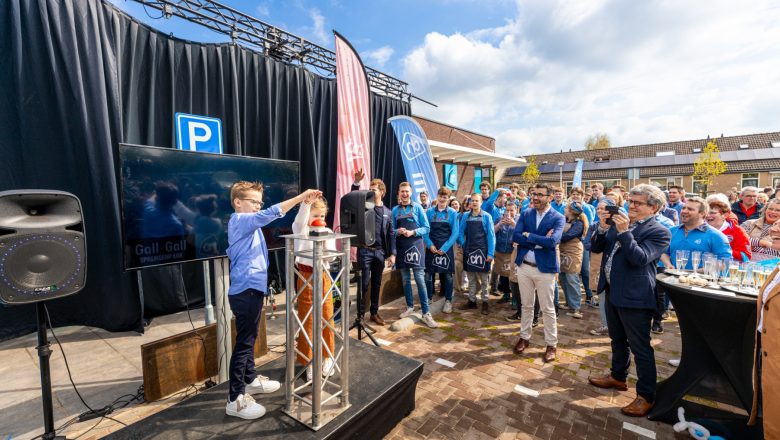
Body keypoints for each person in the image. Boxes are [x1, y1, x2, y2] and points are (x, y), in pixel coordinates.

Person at [225, 182, 319, 419]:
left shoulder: (249, 223)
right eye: (253, 202)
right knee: (244, 343)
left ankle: (250, 380)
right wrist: (301, 198)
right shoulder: (239, 219)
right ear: (238, 202)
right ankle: (235, 398)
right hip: (245, 290)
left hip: (252, 289)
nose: (258, 206)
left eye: (259, 202)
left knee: (250, 337)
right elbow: (272, 213)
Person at [588, 184, 671, 417]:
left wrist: (624, 233)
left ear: (653, 207)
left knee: (640, 347)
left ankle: (646, 395)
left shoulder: (659, 231)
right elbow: (595, 247)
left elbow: (639, 259)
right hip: (612, 290)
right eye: (630, 201)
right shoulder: (620, 222)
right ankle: (617, 377)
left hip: (635, 295)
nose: (631, 206)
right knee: (617, 339)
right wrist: (603, 228)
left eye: (638, 203)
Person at [512, 183, 565, 363]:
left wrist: (528, 236)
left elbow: (553, 242)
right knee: (526, 306)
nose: (535, 197)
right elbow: (515, 236)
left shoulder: (558, 217)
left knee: (547, 308)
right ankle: (524, 337)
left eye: (540, 195)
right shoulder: (526, 213)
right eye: (534, 194)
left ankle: (551, 344)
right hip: (524, 267)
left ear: (549, 197)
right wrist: (539, 239)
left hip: (545, 269)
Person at [292, 195, 338, 382]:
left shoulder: (326, 230)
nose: (319, 219)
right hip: (304, 275)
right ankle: (308, 361)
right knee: (307, 320)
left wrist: (325, 249)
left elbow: (333, 257)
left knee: (327, 315)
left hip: (323, 275)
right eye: (315, 215)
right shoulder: (301, 229)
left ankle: (328, 357)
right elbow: (300, 219)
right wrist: (306, 203)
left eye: (322, 215)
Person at [352, 170, 396, 326]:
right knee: (363, 284)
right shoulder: (365, 207)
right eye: (369, 189)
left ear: (382, 192)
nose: (370, 191)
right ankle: (360, 316)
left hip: (380, 253)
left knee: (377, 283)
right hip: (365, 251)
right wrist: (356, 183)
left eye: (373, 189)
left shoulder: (388, 213)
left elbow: (391, 234)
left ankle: (374, 313)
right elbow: (353, 200)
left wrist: (393, 254)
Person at [393, 182, 438, 328]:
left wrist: (412, 232)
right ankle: (410, 307)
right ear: (399, 193)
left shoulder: (418, 207)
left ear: (411, 193)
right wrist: (397, 231)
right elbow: (391, 231)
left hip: (416, 247)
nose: (404, 194)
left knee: (419, 279)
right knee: (406, 280)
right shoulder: (395, 210)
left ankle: (426, 313)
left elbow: (426, 228)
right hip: (402, 248)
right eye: (402, 191)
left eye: (407, 191)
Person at [748, 263, 780, 438]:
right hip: (766, 351)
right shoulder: (778, 267)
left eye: (777, 232)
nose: (772, 233)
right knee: (768, 406)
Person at [660, 196, 732, 270]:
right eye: (683, 208)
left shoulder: (716, 235)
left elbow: (725, 263)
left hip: (701, 280)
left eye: (690, 209)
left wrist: (695, 273)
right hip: (671, 279)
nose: (684, 211)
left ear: (702, 214)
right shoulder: (671, 231)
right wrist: (668, 264)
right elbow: (663, 252)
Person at [458, 193, 496, 314]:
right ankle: (472, 301)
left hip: (483, 252)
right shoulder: (465, 216)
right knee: (471, 278)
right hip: (469, 251)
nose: (474, 203)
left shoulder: (487, 217)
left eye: (476, 201)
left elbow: (491, 236)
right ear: (470, 203)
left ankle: (485, 302)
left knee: (484, 279)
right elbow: (460, 233)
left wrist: (490, 253)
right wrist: (464, 245)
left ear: (481, 202)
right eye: (472, 201)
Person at [424, 187, 459, 314]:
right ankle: (428, 299)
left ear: (448, 199)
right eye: (441, 196)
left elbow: (455, 233)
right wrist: (429, 245)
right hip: (431, 248)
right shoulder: (429, 212)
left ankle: (448, 301)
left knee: (448, 276)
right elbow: (425, 230)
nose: (442, 198)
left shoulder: (453, 213)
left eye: (445, 197)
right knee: (428, 274)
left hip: (446, 248)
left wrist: (444, 248)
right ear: (437, 196)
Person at [559, 202, 588, 319]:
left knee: (572, 278)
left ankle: (575, 307)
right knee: (563, 278)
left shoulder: (578, 224)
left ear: (571, 211)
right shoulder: (566, 221)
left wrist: (554, 235)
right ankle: (568, 303)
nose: (564, 209)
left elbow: (567, 236)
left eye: (566, 208)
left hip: (573, 252)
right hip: (563, 251)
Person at [705, 194, 751, 261]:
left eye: (712, 212)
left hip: (728, 268)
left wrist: (724, 251)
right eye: (706, 212)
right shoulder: (697, 228)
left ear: (725, 214)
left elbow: (746, 256)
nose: (708, 215)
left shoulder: (737, 231)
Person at [570, 187, 596, 306]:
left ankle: (589, 295)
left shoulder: (586, 208)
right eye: (573, 194)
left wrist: (585, 241)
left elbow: (589, 226)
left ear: (582, 196)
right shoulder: (570, 206)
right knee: (573, 270)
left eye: (578, 194)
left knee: (585, 270)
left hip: (583, 243)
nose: (575, 196)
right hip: (572, 243)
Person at [491, 202, 518, 304]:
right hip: (501, 251)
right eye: (507, 210)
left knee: (514, 276)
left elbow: (522, 233)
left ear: (516, 210)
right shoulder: (499, 219)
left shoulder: (519, 220)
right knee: (503, 275)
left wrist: (513, 223)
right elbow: (492, 232)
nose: (509, 212)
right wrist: (500, 224)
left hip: (513, 252)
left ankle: (515, 297)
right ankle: (506, 294)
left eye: (511, 210)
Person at [450, 197, 466, 298]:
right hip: (452, 242)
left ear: (459, 206)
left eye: (456, 204)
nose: (455, 206)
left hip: (461, 241)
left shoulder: (463, 216)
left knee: (460, 262)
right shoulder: (449, 215)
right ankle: (456, 285)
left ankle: (463, 283)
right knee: (455, 263)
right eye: (452, 205)